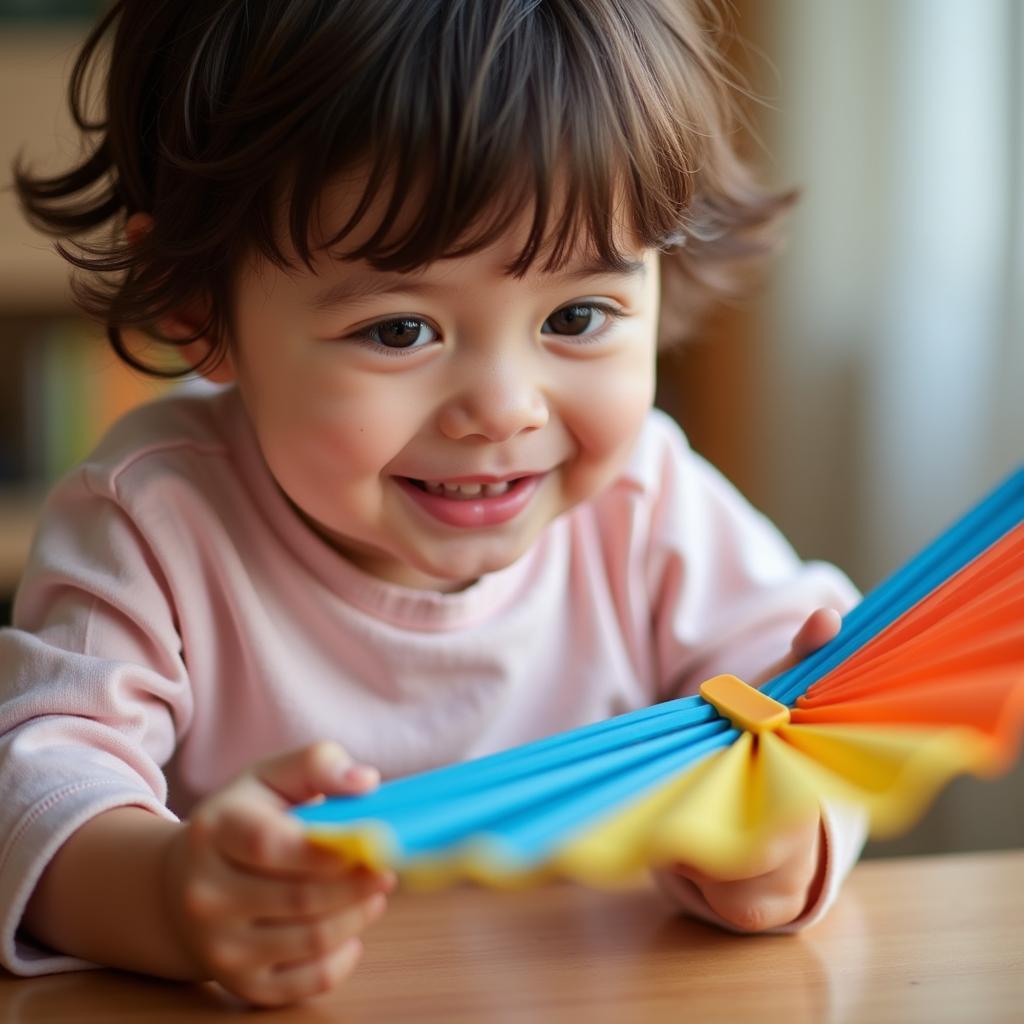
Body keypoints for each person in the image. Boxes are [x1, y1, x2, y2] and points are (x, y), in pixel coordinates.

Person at [1, 0, 867, 1008]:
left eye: (576, 316)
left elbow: (808, 703)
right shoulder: (152, 520)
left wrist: (783, 839)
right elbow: (36, 793)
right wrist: (170, 893)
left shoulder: (646, 503)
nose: (503, 409)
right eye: (400, 331)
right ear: (195, 303)